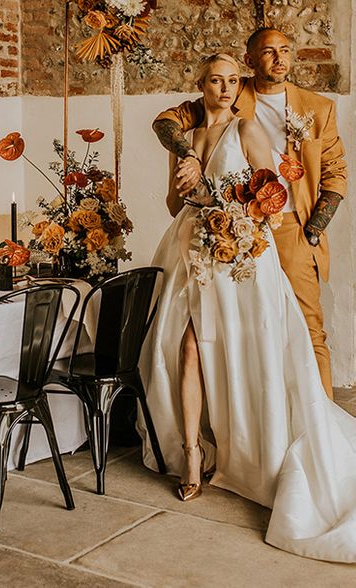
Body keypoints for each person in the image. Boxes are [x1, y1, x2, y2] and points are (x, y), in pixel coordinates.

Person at [139, 52, 356, 562]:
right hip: (190, 249)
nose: (224, 88)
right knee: (186, 347)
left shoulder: (249, 130)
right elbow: (176, 207)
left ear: (240, 86)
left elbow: (273, 195)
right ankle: (192, 455)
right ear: (201, 83)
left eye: (233, 81)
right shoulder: (186, 137)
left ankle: (246, 445)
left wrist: (242, 222)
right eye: (215, 80)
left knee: (239, 349)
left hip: (239, 257)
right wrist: (186, 188)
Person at [152, 28, 347, 399]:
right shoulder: (230, 91)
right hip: (231, 225)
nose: (279, 58)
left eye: (285, 50)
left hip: (291, 225)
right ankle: (256, 415)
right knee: (244, 327)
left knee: (308, 327)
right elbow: (166, 122)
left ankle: (322, 417)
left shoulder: (318, 108)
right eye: (269, 52)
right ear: (250, 60)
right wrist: (187, 154)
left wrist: (314, 228)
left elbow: (336, 174)